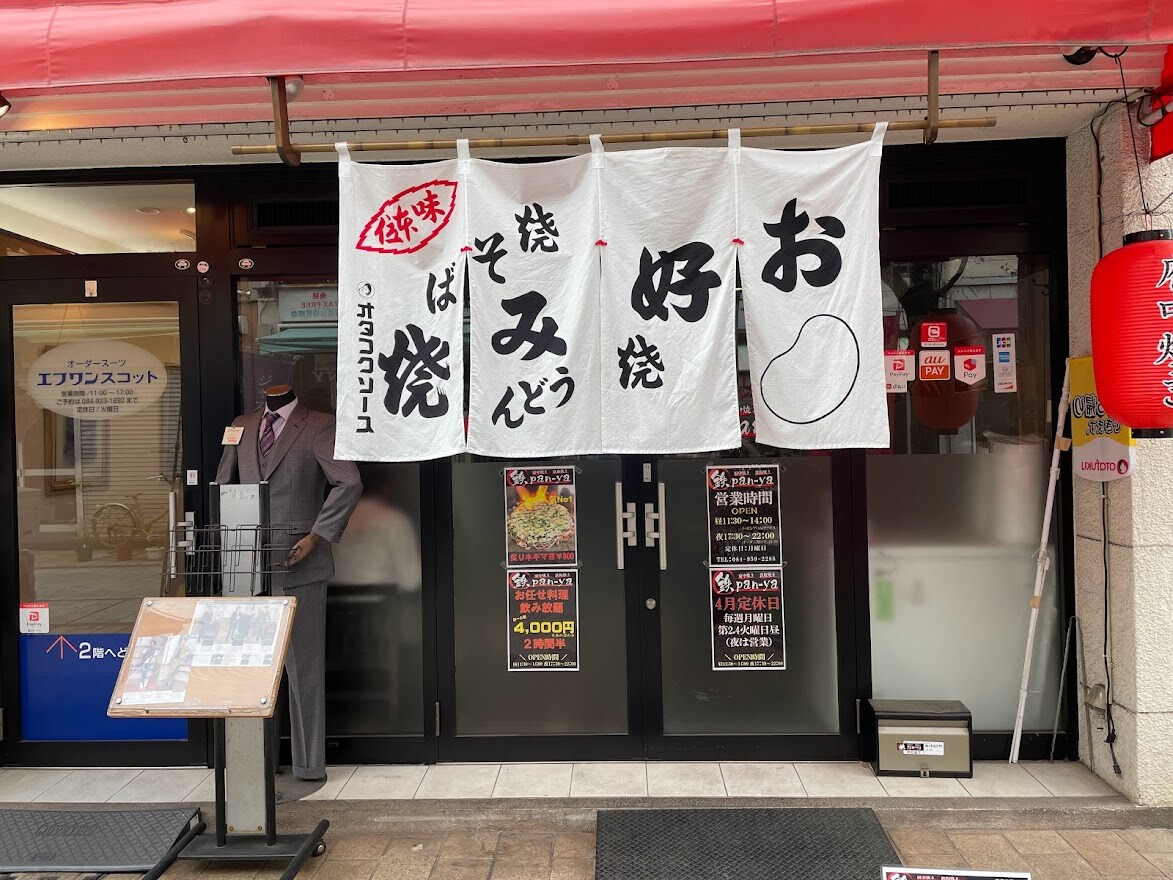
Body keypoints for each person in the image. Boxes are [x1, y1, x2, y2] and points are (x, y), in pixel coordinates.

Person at [216, 384, 361, 783]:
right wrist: (229, 545)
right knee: (252, 667)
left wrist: (317, 536)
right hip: (246, 565)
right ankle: (257, 760)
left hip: (301, 561)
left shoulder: (319, 425)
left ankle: (309, 764)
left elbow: (348, 482)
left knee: (304, 669)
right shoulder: (242, 425)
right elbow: (224, 485)